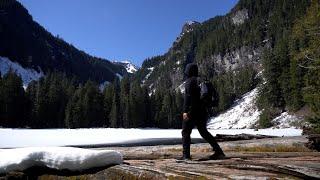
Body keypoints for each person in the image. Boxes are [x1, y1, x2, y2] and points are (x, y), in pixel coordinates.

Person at [181, 63, 225, 160]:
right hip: (202, 112)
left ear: (188, 71)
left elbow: (188, 99)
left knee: (185, 132)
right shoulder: (200, 80)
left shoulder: (189, 81)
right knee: (204, 132)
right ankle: (219, 152)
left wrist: (186, 112)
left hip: (192, 111)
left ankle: (186, 156)